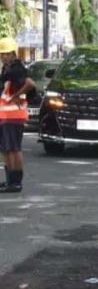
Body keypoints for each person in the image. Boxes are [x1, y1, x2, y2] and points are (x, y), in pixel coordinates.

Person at [0, 38, 35, 193]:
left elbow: (31, 84)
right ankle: (10, 181)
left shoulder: (17, 68)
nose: (3, 57)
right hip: (5, 115)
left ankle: (16, 182)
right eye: (1, 54)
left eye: (6, 54)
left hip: (14, 115)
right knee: (6, 149)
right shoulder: (6, 69)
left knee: (14, 148)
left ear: (13, 54)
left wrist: (17, 95)